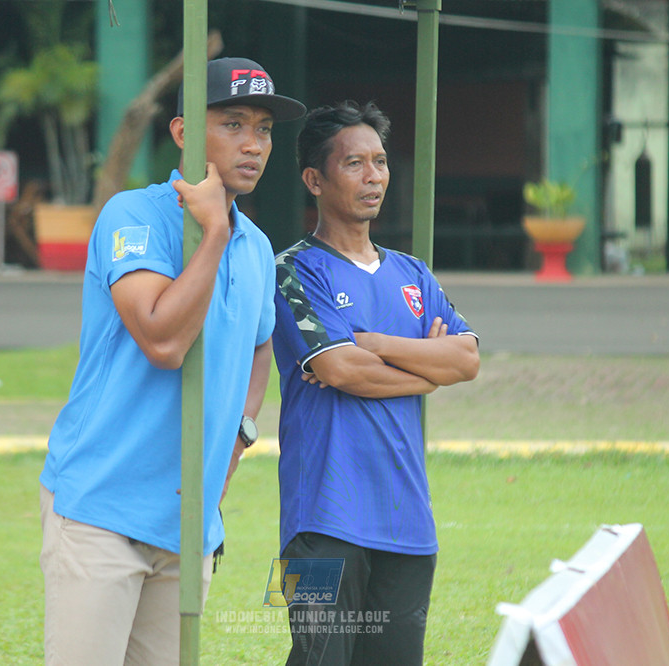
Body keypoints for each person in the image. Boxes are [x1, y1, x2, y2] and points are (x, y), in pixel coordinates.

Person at [39, 57, 304, 665]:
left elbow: (261, 345)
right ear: (183, 134)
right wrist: (211, 233)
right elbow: (162, 342)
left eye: (263, 129)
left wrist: (237, 439)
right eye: (233, 123)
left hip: (188, 527)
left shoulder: (257, 247)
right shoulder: (132, 216)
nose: (253, 144)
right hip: (101, 510)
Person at [272, 101, 480, 665]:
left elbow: (465, 359)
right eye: (355, 164)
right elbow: (341, 370)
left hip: (407, 523)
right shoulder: (291, 271)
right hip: (320, 521)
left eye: (382, 162)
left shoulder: (413, 274)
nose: (374, 177)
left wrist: (378, 343)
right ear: (315, 179)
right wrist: (423, 369)